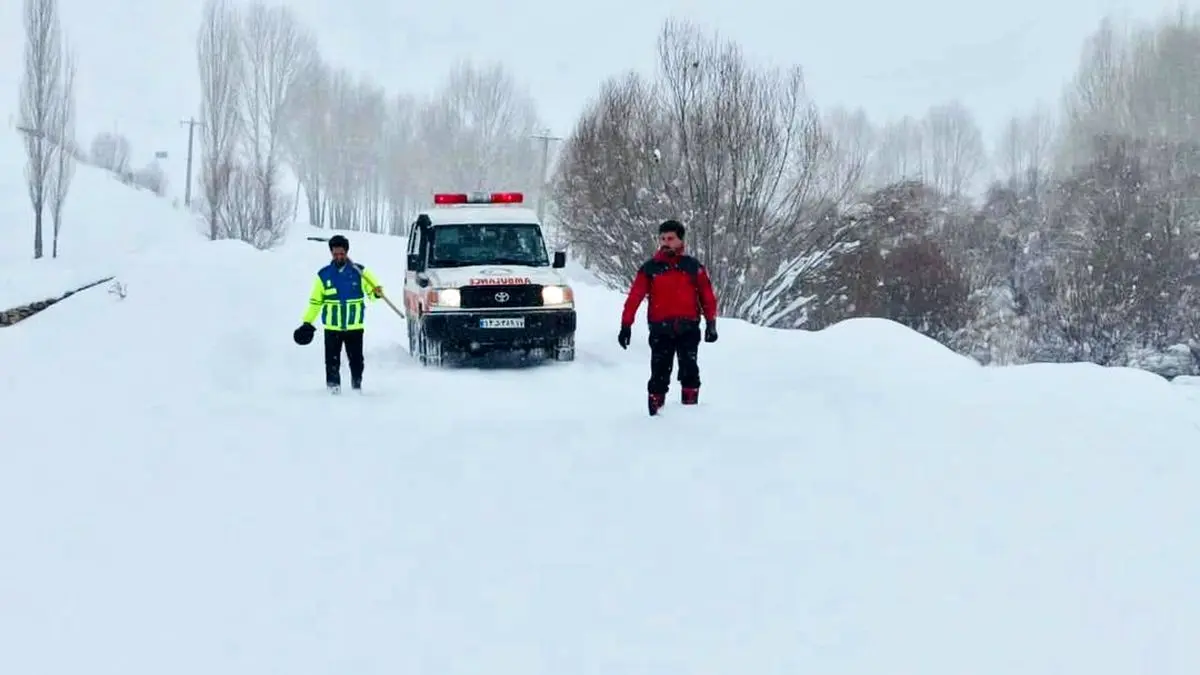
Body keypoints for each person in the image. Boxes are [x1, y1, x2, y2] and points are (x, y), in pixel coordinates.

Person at [618, 220, 718, 415]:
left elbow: (707, 296)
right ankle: (656, 416)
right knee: (659, 374)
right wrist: (625, 325)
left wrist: (711, 323)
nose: (665, 242)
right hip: (660, 329)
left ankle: (690, 415)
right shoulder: (650, 268)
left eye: (670, 238)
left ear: (681, 240)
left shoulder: (692, 266)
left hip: (688, 327)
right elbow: (634, 297)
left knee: (689, 370)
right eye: (662, 238)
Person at [294, 235, 385, 393]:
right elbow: (315, 302)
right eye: (335, 254)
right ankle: (333, 390)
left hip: (354, 327)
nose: (338, 257)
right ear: (331, 253)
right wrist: (307, 322)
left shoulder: (360, 272)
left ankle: (357, 388)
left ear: (346, 252)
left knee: (356, 361)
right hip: (332, 328)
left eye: (341, 253)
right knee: (331, 362)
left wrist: (377, 292)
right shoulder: (324, 275)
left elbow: (373, 294)